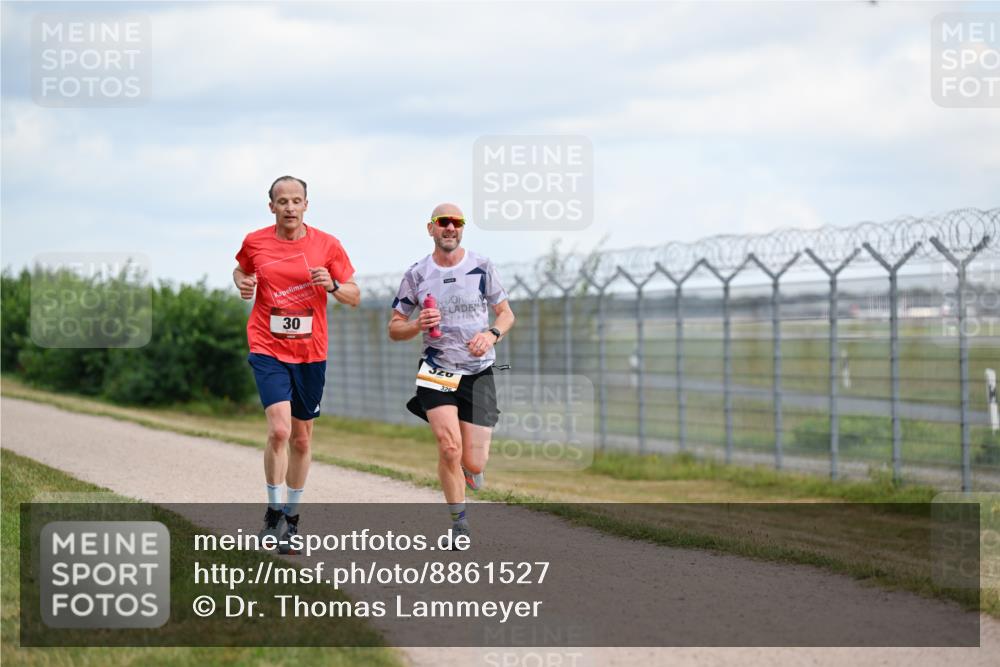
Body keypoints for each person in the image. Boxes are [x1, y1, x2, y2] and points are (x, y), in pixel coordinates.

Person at [233, 175, 360, 553]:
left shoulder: (327, 245)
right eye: (282, 201)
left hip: (310, 353)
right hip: (267, 345)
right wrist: (242, 282)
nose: (289, 207)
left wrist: (333, 286)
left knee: (302, 438)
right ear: (271, 206)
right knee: (279, 431)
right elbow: (241, 269)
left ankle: (292, 518)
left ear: (307, 205)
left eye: (296, 200)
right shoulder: (255, 241)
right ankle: (273, 513)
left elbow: (354, 295)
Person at [387, 203, 515, 543]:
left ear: (461, 228)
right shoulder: (417, 274)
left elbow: (505, 314)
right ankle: (460, 525)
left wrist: (491, 335)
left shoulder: (482, 266)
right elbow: (394, 328)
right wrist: (416, 325)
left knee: (473, 461)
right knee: (448, 447)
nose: (450, 228)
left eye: (456, 222)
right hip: (436, 368)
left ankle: (470, 472)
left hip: (478, 371)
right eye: (442, 222)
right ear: (430, 229)